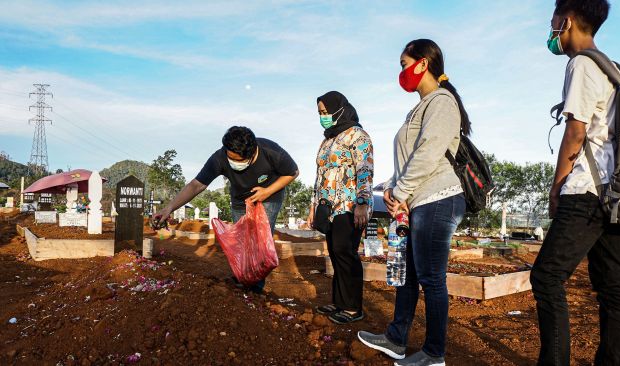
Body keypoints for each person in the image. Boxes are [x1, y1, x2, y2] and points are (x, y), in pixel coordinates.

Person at [357, 39, 469, 366]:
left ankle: (434, 354)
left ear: (422, 63)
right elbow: (409, 160)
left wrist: (401, 192)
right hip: (414, 201)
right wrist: (393, 189)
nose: (401, 72)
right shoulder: (421, 107)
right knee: (405, 273)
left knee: (432, 277)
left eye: (404, 64)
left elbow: (430, 152)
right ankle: (396, 339)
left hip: (438, 198)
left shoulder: (442, 102)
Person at [530, 1, 620, 365]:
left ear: (566, 20)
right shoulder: (614, 69)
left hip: (586, 191)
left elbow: (575, 132)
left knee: (546, 277)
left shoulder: (583, 64)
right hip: (615, 193)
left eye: (553, 19)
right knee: (611, 287)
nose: (551, 26)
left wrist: (557, 188)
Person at [154, 126, 299, 293]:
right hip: (240, 198)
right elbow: (196, 185)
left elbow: (293, 172)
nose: (234, 163)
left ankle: (255, 288)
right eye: (231, 158)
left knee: (258, 241)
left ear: (251, 154)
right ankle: (242, 278)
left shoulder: (271, 151)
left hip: (269, 196)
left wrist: (266, 192)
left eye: (238, 160)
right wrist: (169, 207)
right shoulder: (220, 157)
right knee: (242, 240)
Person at [307, 91, 374, 325]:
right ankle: (339, 302)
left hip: (349, 205)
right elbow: (319, 176)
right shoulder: (327, 140)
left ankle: (353, 307)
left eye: (326, 112)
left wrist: (362, 203)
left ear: (340, 109)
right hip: (328, 207)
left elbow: (365, 171)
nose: (323, 117)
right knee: (335, 253)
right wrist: (313, 206)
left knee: (346, 253)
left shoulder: (358, 136)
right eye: (320, 113)